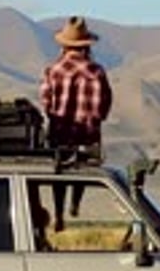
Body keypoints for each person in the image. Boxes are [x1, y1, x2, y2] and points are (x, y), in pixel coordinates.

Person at [39, 16, 113, 231]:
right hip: (88, 132)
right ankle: (75, 204)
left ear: (63, 45)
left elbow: (46, 101)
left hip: (60, 131)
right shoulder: (96, 72)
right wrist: (95, 118)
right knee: (82, 166)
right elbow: (105, 103)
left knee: (59, 171)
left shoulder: (53, 71)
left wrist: (56, 115)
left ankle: (59, 212)